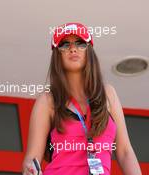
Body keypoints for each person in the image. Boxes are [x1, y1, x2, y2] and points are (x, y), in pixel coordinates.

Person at [22, 23, 141, 175]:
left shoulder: (108, 94)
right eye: (65, 44)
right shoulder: (47, 101)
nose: (73, 48)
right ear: (57, 54)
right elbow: (32, 158)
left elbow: (125, 151)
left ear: (89, 50)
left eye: (80, 43)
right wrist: (30, 170)